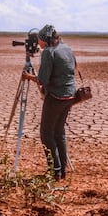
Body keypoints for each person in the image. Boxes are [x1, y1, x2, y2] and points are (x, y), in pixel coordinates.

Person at [22, 24, 76, 180]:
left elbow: (43, 79)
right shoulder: (66, 48)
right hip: (70, 95)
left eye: (39, 41)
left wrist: (28, 76)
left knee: (46, 134)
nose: (38, 44)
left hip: (56, 97)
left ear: (44, 40)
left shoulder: (48, 52)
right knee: (59, 132)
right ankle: (62, 170)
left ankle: (54, 170)